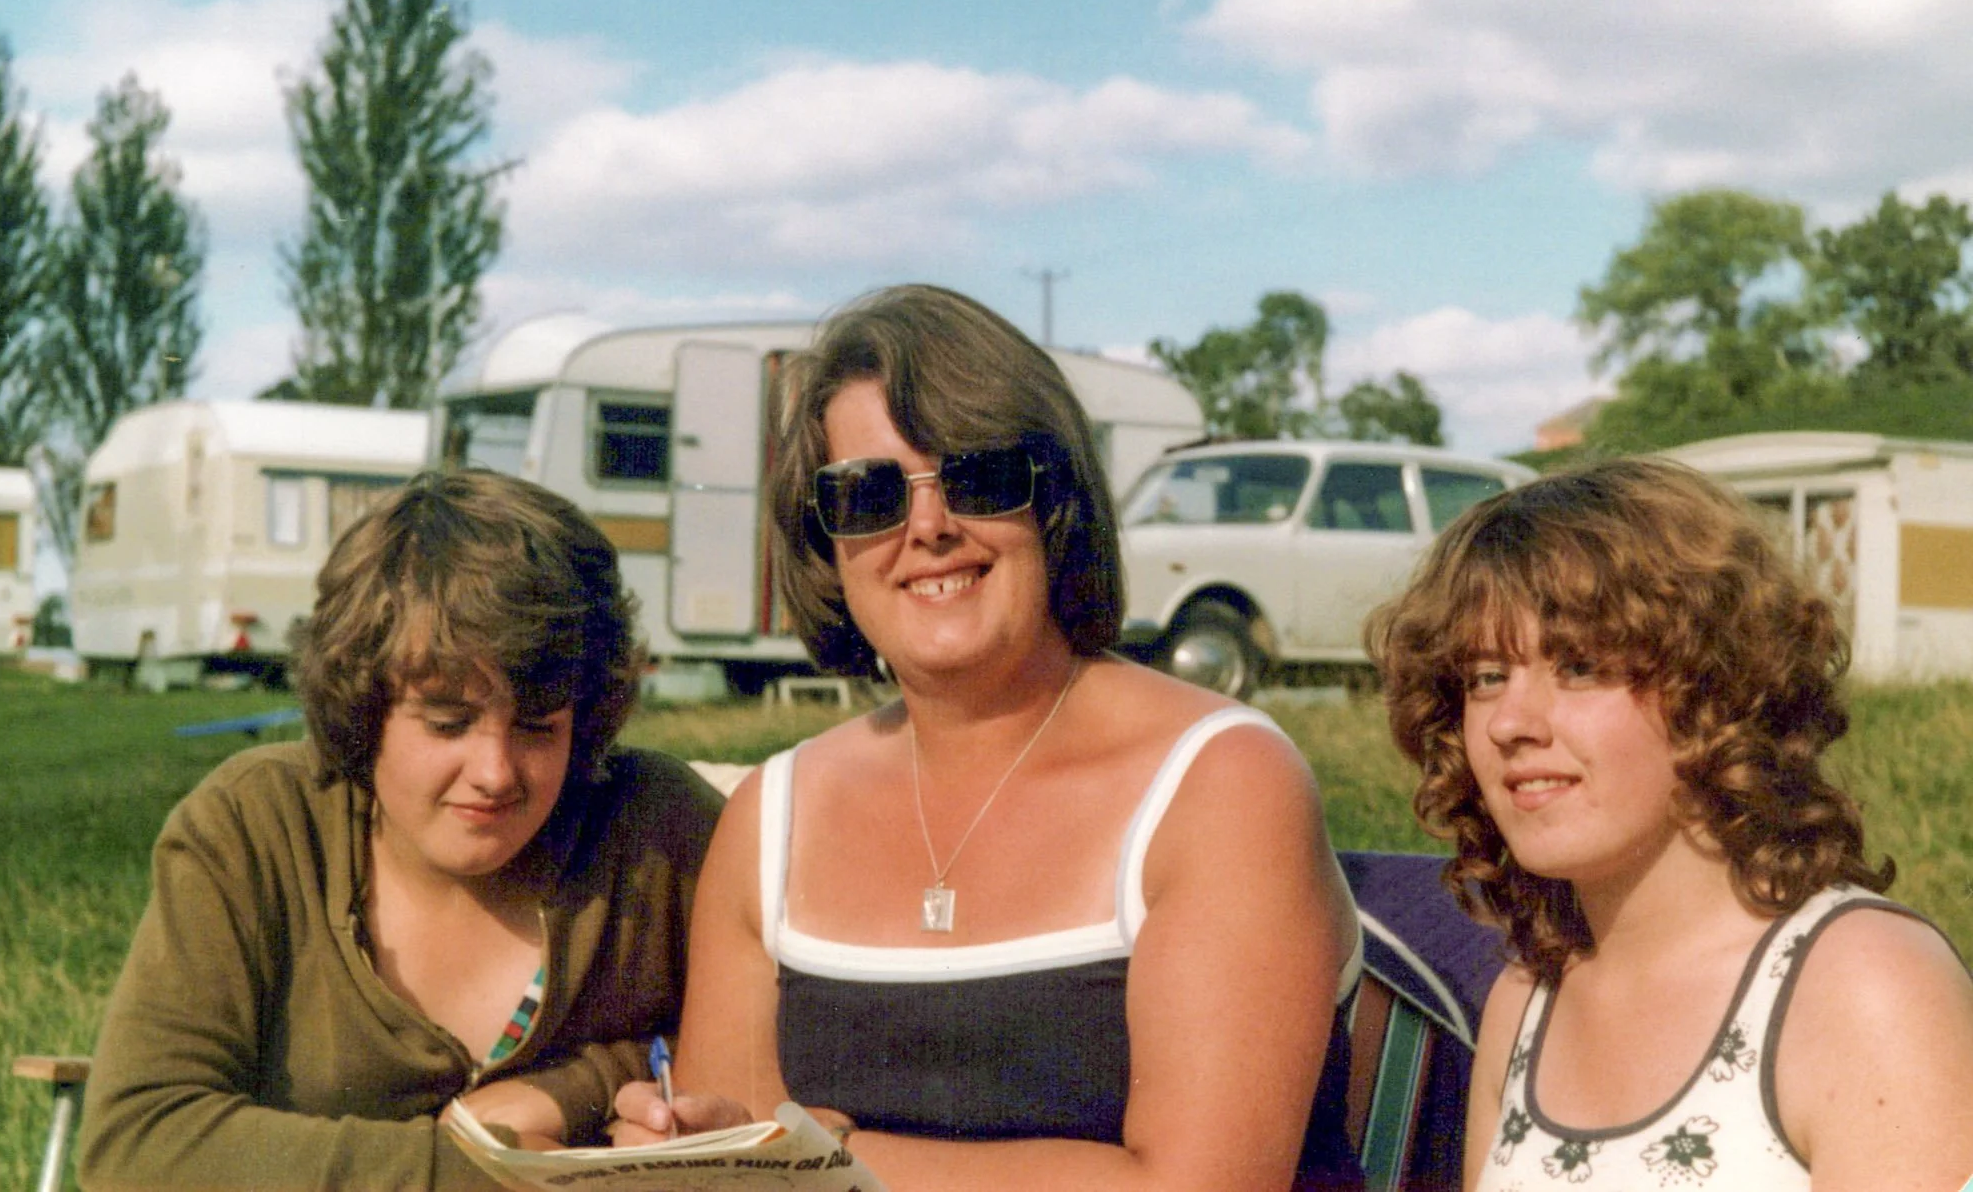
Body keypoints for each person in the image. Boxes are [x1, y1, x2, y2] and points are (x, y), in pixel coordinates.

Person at [612, 284, 1364, 1191]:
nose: (927, 527)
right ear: (824, 540)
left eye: (979, 477)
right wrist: (684, 1142)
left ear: (1053, 502)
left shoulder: (1220, 782)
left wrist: (825, 1160)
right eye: (868, 494)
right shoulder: (773, 818)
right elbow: (722, 1169)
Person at [79, 470, 722, 1191]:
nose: (495, 771)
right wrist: (486, 1173)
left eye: (539, 725)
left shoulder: (660, 832)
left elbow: (784, 1053)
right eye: (448, 722)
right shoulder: (254, 827)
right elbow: (137, 1145)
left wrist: (583, 1087)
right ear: (362, 705)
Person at [1367, 458, 1973, 1192]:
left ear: (1716, 688)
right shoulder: (1526, 1003)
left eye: (1580, 666)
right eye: (1486, 677)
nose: (1510, 724)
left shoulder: (1863, 984)